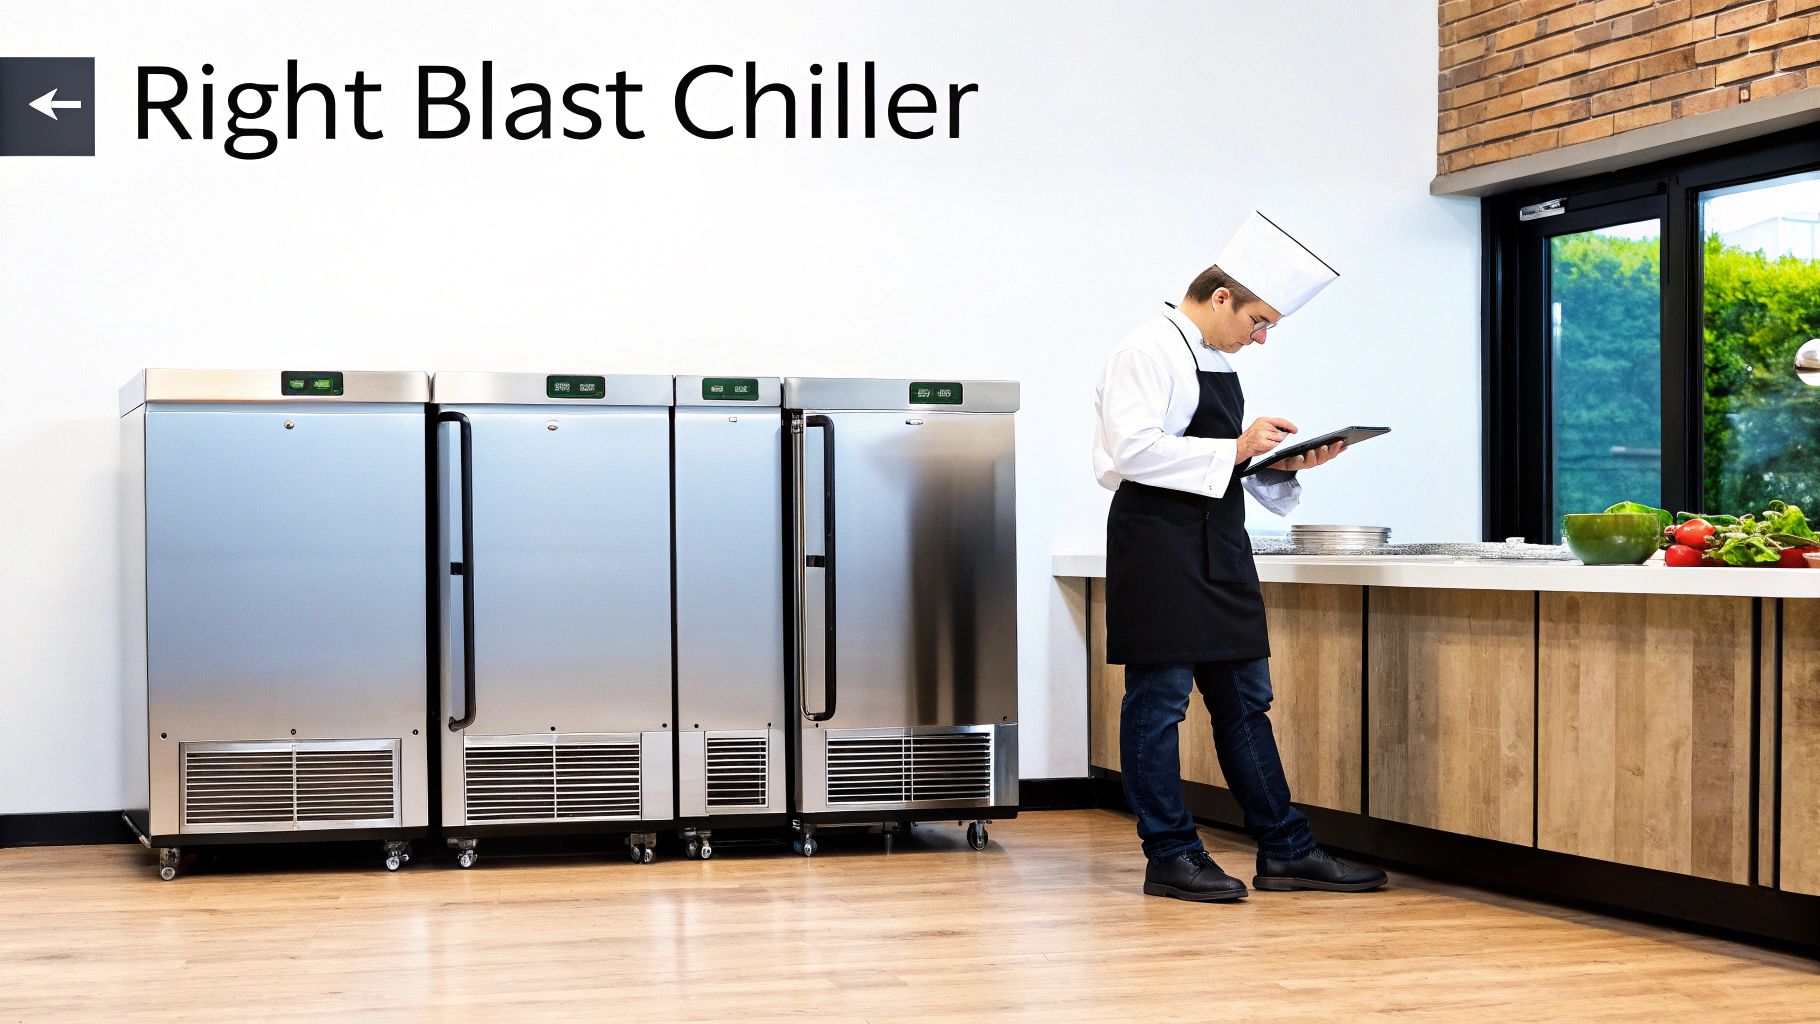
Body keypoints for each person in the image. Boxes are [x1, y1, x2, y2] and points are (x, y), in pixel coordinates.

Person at [1092, 212, 1388, 902]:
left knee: (1246, 699)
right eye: (1258, 321)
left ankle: (1286, 849)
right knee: (1159, 702)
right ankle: (1169, 853)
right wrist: (1237, 448)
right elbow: (1134, 451)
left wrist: (1280, 466)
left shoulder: (1215, 358)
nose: (1259, 337)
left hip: (1217, 542)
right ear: (1221, 295)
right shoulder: (1146, 349)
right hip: (1159, 542)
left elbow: (1222, 467)